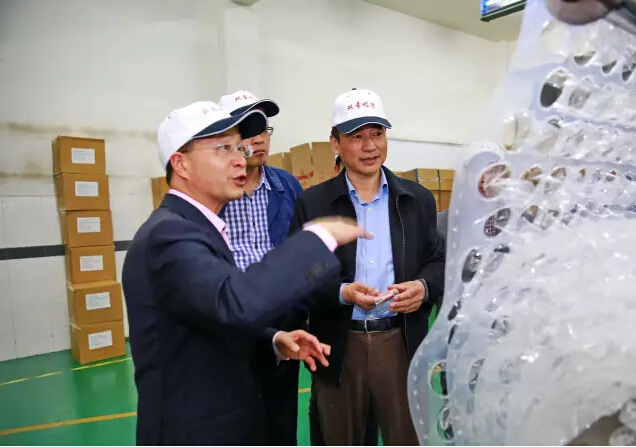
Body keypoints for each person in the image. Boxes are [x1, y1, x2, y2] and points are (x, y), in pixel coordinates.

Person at [122, 101, 371, 446]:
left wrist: (272, 340)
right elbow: (233, 300)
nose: (241, 158)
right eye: (223, 148)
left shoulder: (198, 229)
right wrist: (317, 239)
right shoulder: (169, 235)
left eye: (239, 147)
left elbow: (210, 315)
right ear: (181, 164)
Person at [290, 88, 446, 446]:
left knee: (406, 436)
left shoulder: (416, 200)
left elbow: (437, 260)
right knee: (341, 437)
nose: (370, 146)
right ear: (335, 143)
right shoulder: (313, 204)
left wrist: (423, 287)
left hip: (400, 342)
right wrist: (342, 292)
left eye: (377, 134)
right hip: (339, 344)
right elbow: (298, 273)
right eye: (356, 137)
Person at [218, 90, 304, 445]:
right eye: (248, 129)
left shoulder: (287, 186)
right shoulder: (214, 190)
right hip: (231, 321)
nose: (259, 139)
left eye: (264, 129)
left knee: (280, 421)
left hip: (281, 317)